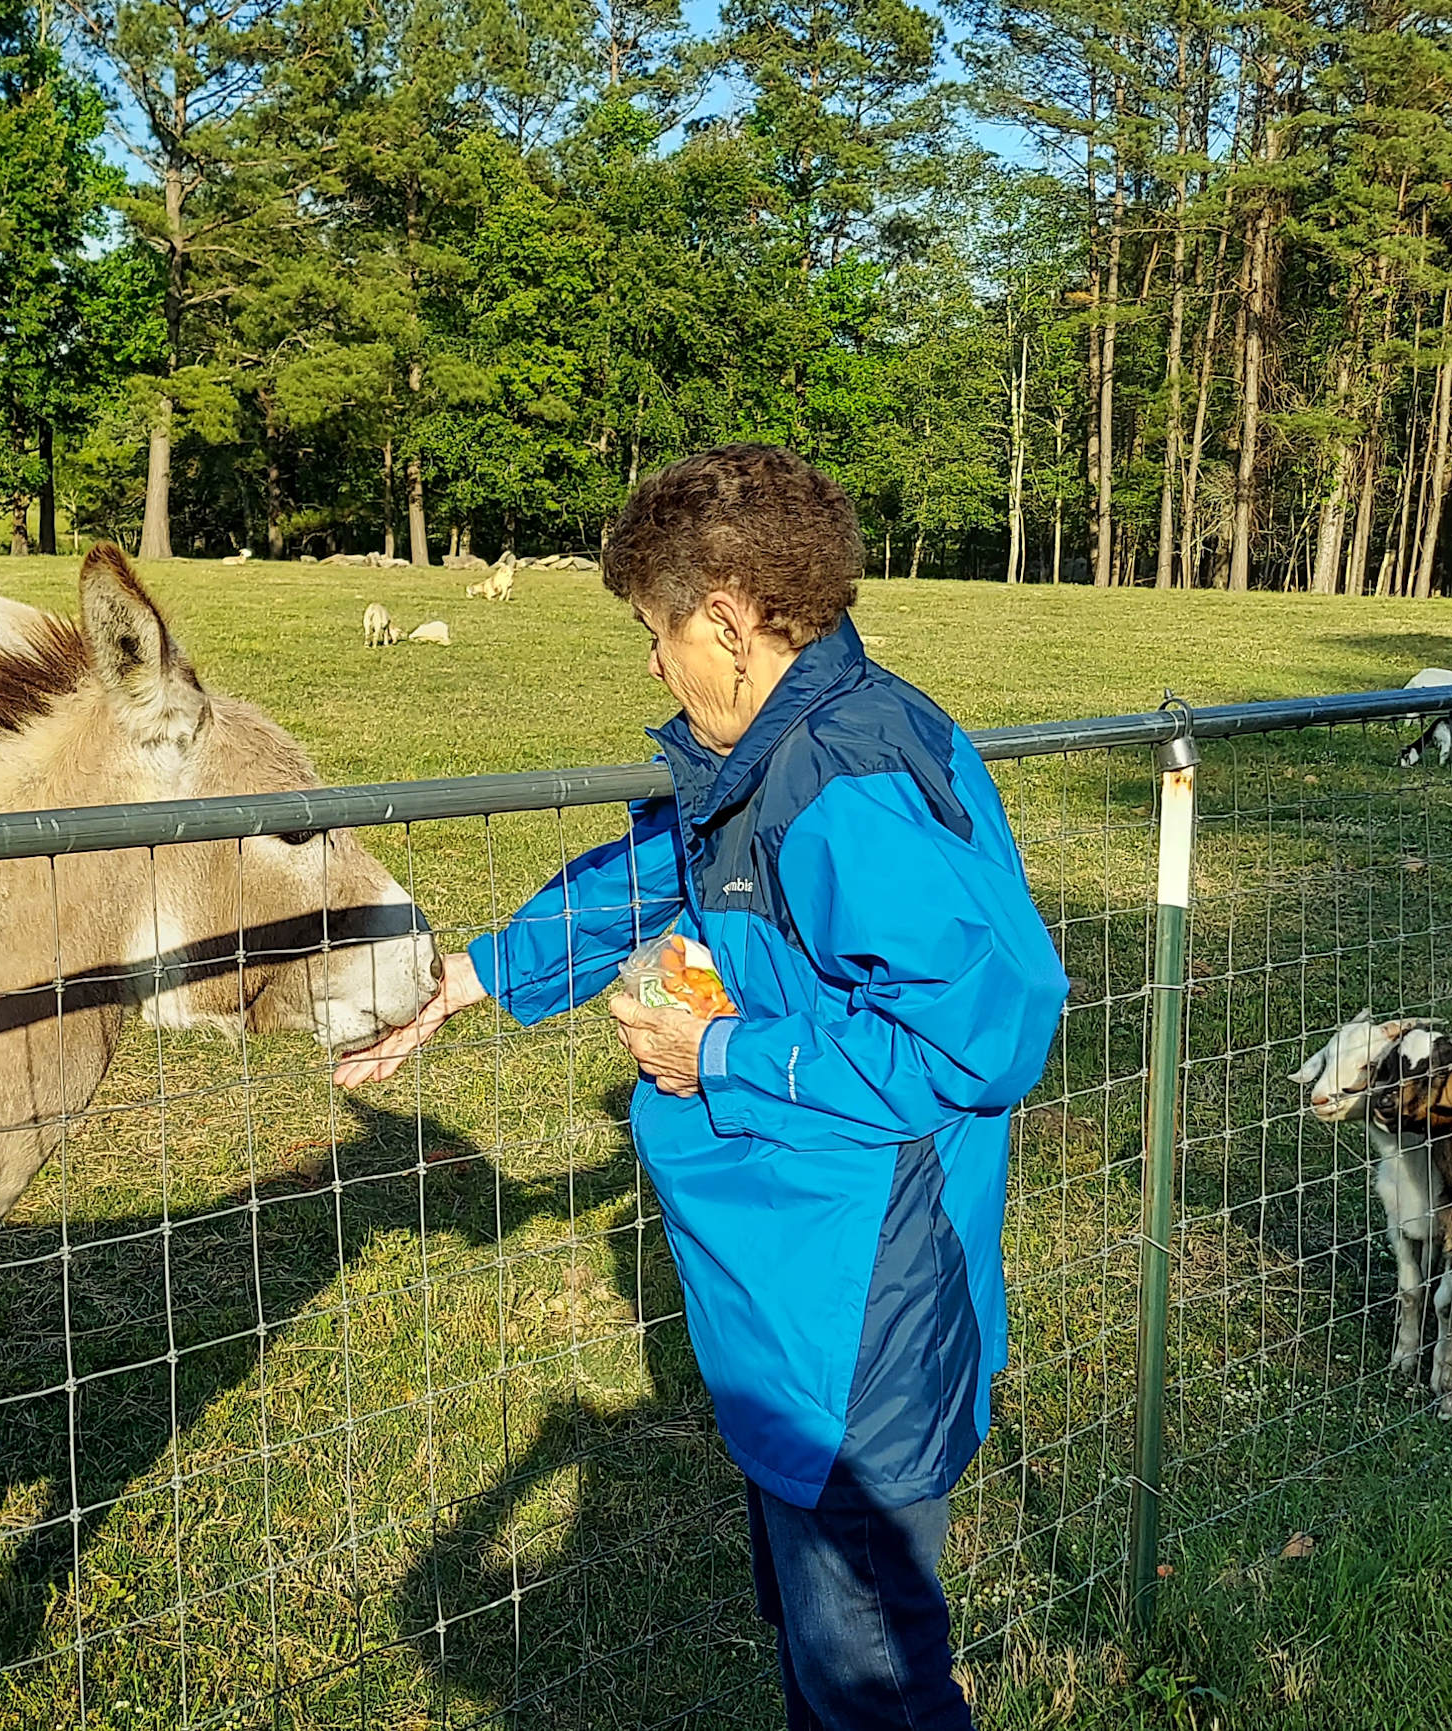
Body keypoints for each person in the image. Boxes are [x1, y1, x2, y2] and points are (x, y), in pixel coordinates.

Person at [335, 445, 1068, 1730]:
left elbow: (982, 1038)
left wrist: (711, 1056)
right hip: (796, 1295)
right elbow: (653, 871)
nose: (652, 665)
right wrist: (470, 979)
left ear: (726, 622)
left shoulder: (843, 786)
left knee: (870, 1681)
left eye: (653, 633)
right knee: (828, 1659)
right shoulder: (774, 760)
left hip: (862, 1315)